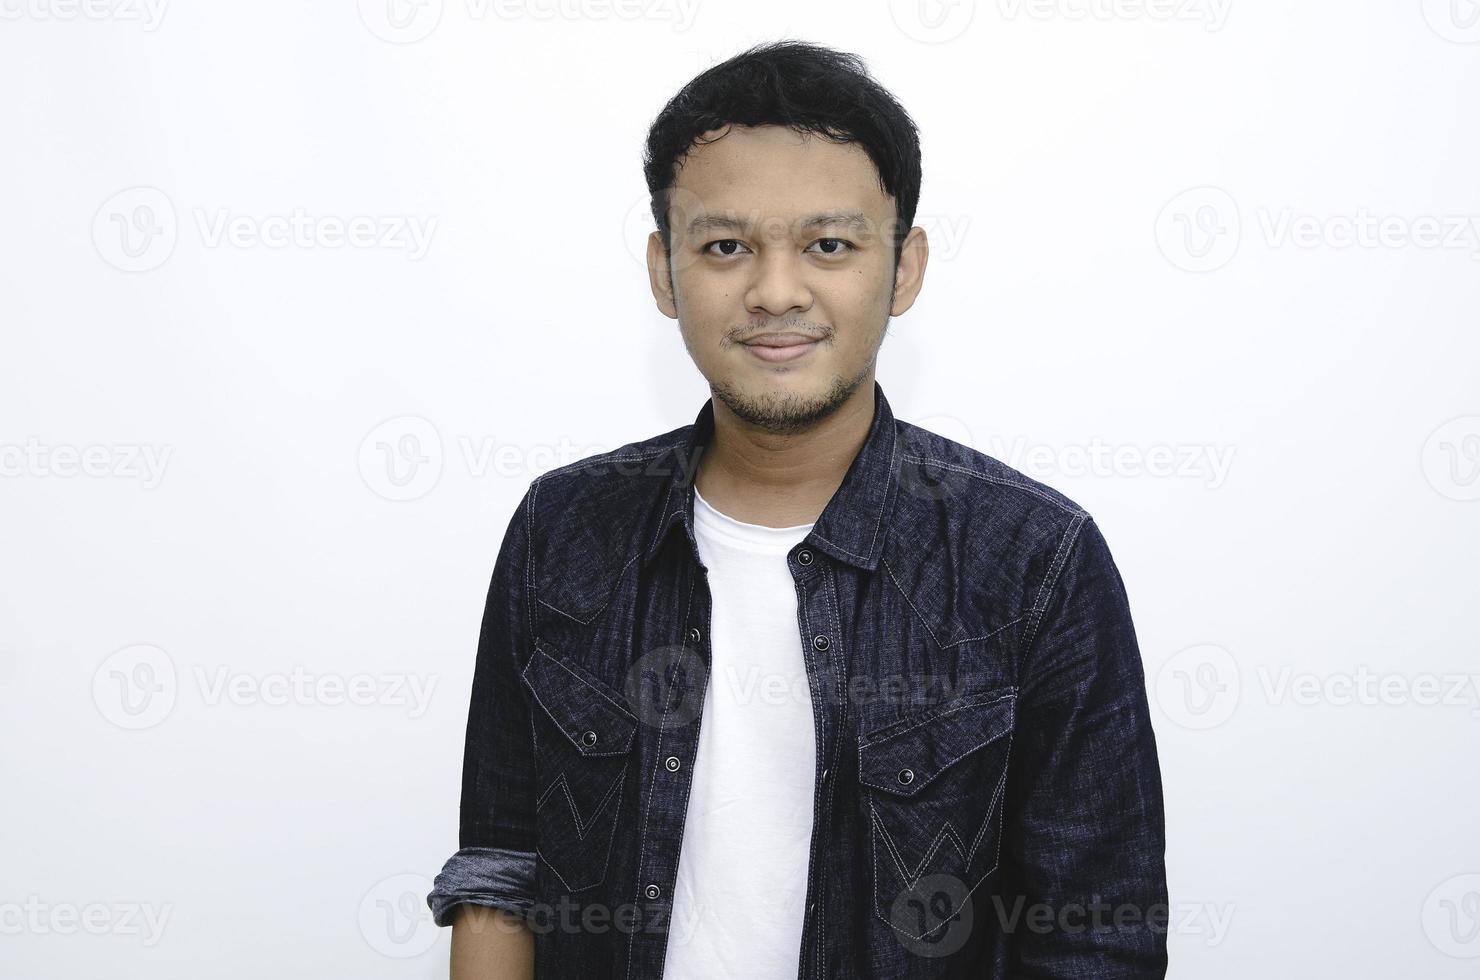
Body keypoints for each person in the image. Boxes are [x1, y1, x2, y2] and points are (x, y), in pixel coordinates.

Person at [427, 39, 1168, 979]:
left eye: (829, 245)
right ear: (665, 270)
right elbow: (501, 870)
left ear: (903, 268)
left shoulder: (1034, 562)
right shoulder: (562, 528)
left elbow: (1096, 941)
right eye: (726, 246)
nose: (776, 292)